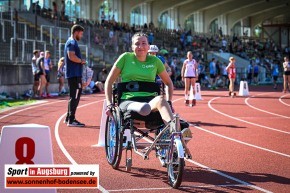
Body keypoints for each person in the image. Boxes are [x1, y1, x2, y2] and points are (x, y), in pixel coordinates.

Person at [104, 32, 179, 132]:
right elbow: (109, 81)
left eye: (144, 43)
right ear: (132, 46)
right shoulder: (125, 58)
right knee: (144, 108)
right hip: (128, 101)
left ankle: (176, 135)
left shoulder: (155, 61)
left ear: (148, 47)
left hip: (150, 101)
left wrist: (169, 102)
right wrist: (109, 103)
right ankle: (146, 110)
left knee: (161, 100)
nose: (140, 46)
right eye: (137, 44)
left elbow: (169, 83)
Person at [64, 24, 86, 127]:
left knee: (73, 96)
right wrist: (81, 61)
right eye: (80, 34)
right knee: (75, 96)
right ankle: (71, 119)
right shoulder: (72, 42)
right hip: (74, 74)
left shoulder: (72, 42)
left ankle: (68, 117)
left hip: (74, 74)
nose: (81, 36)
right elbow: (71, 56)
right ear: (76, 32)